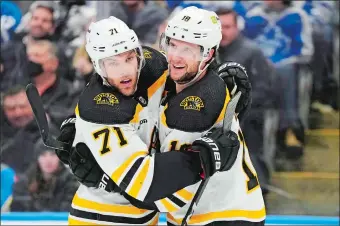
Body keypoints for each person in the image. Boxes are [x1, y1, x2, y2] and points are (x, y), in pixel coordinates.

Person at [53, 15, 248, 225]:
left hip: (146, 217)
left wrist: (220, 85)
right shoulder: (100, 111)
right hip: (98, 216)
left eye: (129, 58)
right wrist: (204, 158)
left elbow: (190, 81)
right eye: (112, 63)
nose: (125, 70)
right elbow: (145, 184)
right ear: (98, 66)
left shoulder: (152, 69)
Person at [10, 138, 79, 212]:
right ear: (37, 158)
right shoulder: (23, 183)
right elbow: (19, 210)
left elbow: (67, 210)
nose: (48, 160)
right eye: (43, 155)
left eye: (52, 154)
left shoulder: (71, 183)